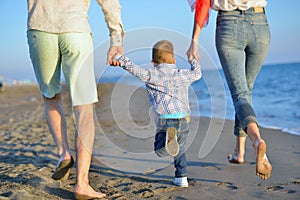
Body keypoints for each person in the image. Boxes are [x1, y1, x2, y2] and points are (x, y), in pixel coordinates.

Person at [26, 0, 124, 199]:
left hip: (40, 29)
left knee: (51, 98)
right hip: (75, 29)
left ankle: (64, 154)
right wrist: (116, 39)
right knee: (83, 106)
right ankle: (82, 183)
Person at [186, 0, 272, 180]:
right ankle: (239, 152)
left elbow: (202, 3)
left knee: (240, 93)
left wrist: (194, 40)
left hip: (229, 24)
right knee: (245, 91)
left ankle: (256, 141)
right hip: (260, 23)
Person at [113, 40, 202, 187]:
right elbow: (197, 74)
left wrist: (121, 58)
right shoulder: (182, 74)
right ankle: (182, 178)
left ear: (153, 62)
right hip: (183, 118)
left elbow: (134, 69)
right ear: (174, 60)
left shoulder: (151, 74)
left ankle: (168, 140)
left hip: (165, 120)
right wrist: (192, 59)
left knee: (160, 150)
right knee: (180, 149)